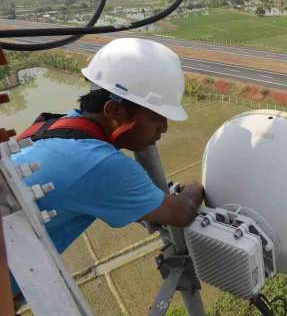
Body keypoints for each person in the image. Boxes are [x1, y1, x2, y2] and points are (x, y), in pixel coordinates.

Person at [9, 38, 204, 306]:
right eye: (156, 117)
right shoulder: (100, 163)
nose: (164, 128)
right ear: (114, 110)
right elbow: (181, 212)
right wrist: (197, 187)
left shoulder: (54, 126)